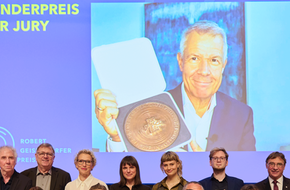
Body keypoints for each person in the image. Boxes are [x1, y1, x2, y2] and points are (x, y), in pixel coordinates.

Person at [95, 21, 255, 152]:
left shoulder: (242, 115)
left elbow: (248, 175)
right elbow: (131, 170)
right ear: (180, 61)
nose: (204, 71)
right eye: (194, 58)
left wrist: (210, 169)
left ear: (223, 66)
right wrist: (116, 137)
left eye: (214, 60)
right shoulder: (150, 108)